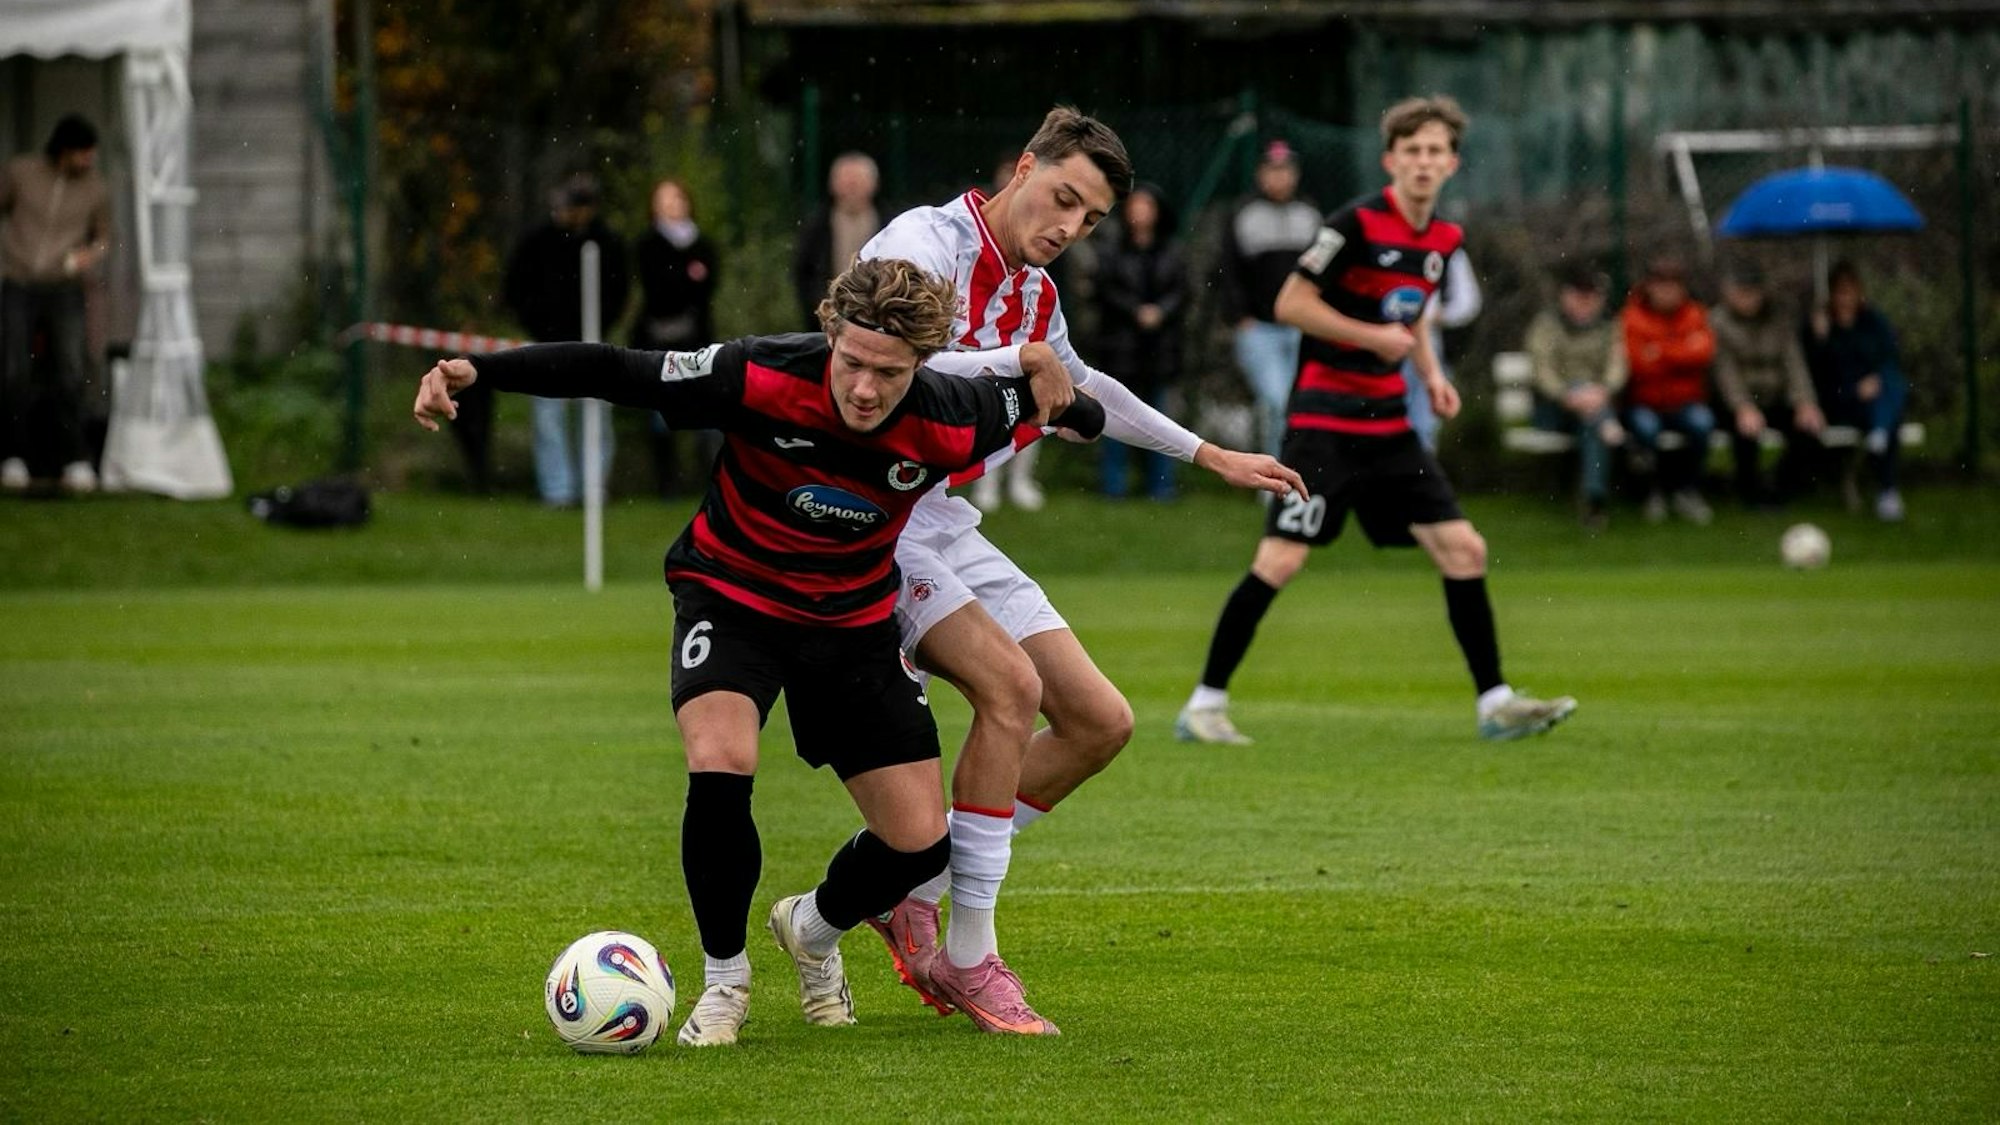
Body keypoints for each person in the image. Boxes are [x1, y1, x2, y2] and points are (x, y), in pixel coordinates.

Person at [412, 256, 1103, 1048]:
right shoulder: (758, 372)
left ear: (925, 364)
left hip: (851, 621)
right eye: (851, 363)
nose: (866, 389)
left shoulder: (955, 412)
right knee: (721, 756)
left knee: (918, 843)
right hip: (732, 595)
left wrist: (1062, 395)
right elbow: (618, 370)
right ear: (829, 336)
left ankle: (812, 925)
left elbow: (1055, 404)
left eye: (890, 373)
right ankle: (724, 979)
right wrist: (479, 371)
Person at [857, 106, 1305, 1035]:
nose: (1069, 228)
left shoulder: (1036, 296)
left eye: (1091, 219)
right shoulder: (921, 242)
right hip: (871, 516)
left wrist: (1213, 456)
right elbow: (881, 354)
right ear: (1023, 167)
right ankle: (969, 954)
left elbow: (1084, 385)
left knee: (1101, 720)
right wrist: (1017, 364)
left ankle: (908, 884)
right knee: (1011, 690)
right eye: (1063, 199)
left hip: (942, 517)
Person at [1175, 95, 1576, 747]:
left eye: (1435, 151)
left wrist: (1432, 376)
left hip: (1388, 424)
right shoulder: (1354, 224)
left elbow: (1410, 315)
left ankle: (1495, 700)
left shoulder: (1443, 238)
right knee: (1280, 559)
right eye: (1411, 150)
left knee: (1464, 549)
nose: (1423, 162)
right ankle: (1204, 703)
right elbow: (1291, 302)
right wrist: (1369, 335)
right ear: (1392, 160)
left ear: (1452, 163)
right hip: (1323, 422)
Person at [503, 173, 631, 507]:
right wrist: (538, 324)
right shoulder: (538, 241)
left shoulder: (606, 242)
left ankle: (593, 488)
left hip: (593, 343)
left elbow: (619, 290)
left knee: (596, 419)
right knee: (549, 419)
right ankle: (557, 490)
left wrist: (600, 324)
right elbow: (515, 286)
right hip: (546, 344)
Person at [1, 114, 111, 495]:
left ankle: (75, 458)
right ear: (64, 150)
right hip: (17, 282)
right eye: (84, 153)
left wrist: (87, 256)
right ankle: (13, 457)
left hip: (65, 287)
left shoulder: (96, 188)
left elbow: (103, 238)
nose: (89, 160)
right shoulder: (21, 173)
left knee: (71, 370)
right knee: (14, 370)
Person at [1219, 139, 1323, 458]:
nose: (1279, 178)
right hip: (1260, 327)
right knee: (1276, 400)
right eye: (1272, 170)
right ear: (1261, 174)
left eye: (1286, 170)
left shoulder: (1311, 214)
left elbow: (1322, 273)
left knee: (1302, 403)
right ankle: (1273, 471)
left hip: (1301, 326)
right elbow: (1228, 270)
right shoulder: (1244, 214)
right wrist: (1241, 318)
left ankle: (1299, 469)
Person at [1091, 183, 1188, 500]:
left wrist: (1161, 312)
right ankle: (1113, 485)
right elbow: (1104, 291)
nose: (1140, 212)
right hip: (1122, 346)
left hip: (1160, 347)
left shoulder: (1172, 251)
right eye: (1136, 205)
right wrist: (1135, 312)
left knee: (1160, 418)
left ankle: (1161, 485)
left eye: (1147, 206)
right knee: (1115, 414)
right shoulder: (1111, 251)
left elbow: (1183, 291)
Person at [632, 178, 722, 496]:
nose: (672, 205)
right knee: (661, 415)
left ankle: (709, 478)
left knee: (706, 411)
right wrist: (684, 278)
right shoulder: (647, 245)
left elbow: (704, 289)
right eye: (664, 199)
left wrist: (681, 281)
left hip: (696, 339)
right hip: (658, 340)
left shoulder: (703, 245)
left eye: (677, 198)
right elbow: (660, 289)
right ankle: (667, 482)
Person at [1710, 260, 1824, 508]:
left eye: (1752, 292)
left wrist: (1805, 402)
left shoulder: (1779, 320)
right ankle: (1750, 490)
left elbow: (1794, 364)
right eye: (1741, 292)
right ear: (1729, 293)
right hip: (1736, 402)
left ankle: (1780, 484)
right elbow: (1724, 372)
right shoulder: (1718, 323)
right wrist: (1742, 406)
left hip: (1775, 397)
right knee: (1746, 431)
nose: (1747, 299)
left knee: (1808, 429)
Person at [1525, 261, 1627, 530]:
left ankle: (1594, 498)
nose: (1585, 303)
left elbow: (1617, 365)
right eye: (1579, 297)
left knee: (1591, 421)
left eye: (1591, 297)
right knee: (1593, 414)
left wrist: (1602, 391)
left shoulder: (1608, 326)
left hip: (1594, 404)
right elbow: (1542, 370)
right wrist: (1567, 395)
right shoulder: (1547, 325)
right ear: (1565, 296)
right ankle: (1596, 493)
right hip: (1554, 407)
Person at [1803, 261, 1908, 521]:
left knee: (1890, 384)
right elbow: (1817, 375)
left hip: (1875, 398)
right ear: (1831, 294)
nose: (1845, 298)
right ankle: (1887, 485)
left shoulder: (1873, 321)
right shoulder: (1820, 326)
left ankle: (1881, 442)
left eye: (1850, 291)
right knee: (1888, 411)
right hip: (1841, 400)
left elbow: (1889, 358)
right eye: (1840, 292)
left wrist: (1872, 382)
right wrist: (1820, 340)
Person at [1620, 255, 1716, 525]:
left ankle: (1688, 491)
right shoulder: (1632, 317)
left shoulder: (1695, 314)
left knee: (1702, 423)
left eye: (1673, 286)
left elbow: (1703, 353)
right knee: (1646, 429)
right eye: (1661, 285)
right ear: (1649, 286)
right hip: (1644, 402)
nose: (1667, 292)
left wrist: (1660, 351)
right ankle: (1652, 493)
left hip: (1684, 402)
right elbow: (1638, 363)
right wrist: (1680, 351)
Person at [1401, 246, 1482, 451]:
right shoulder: (1381, 239)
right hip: (1387, 344)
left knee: (1424, 423)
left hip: (1432, 344)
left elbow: (1467, 302)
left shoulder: (1449, 248)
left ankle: (1417, 476)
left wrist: (1439, 314)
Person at [792, 152, 881, 333]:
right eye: (847, 181)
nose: (852, 187)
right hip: (827, 319)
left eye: (858, 181)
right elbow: (804, 273)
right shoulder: (817, 227)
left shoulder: (888, 223)